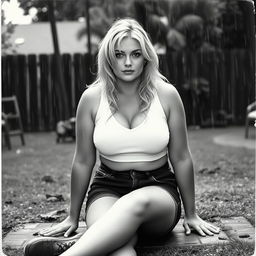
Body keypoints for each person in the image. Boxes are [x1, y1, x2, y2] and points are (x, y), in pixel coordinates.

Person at [24, 18, 220, 256]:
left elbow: (180, 157)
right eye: (119, 54)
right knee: (121, 248)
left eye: (135, 54)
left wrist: (191, 213)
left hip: (157, 190)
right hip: (107, 187)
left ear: (146, 56)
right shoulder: (92, 98)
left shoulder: (167, 95)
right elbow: (83, 161)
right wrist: (72, 217)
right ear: (108, 58)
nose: (127, 62)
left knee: (132, 203)